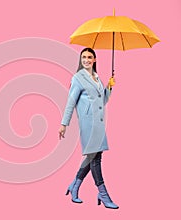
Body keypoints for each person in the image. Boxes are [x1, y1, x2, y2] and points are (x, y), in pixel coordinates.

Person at [58, 48, 119, 209]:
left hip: (98, 123)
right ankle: (103, 194)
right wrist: (64, 124)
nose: (86, 60)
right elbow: (71, 102)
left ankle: (74, 186)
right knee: (96, 159)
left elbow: (102, 101)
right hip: (87, 123)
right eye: (83, 57)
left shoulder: (96, 77)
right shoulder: (78, 78)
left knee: (93, 156)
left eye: (89, 57)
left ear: (94, 59)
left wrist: (109, 87)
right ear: (81, 59)